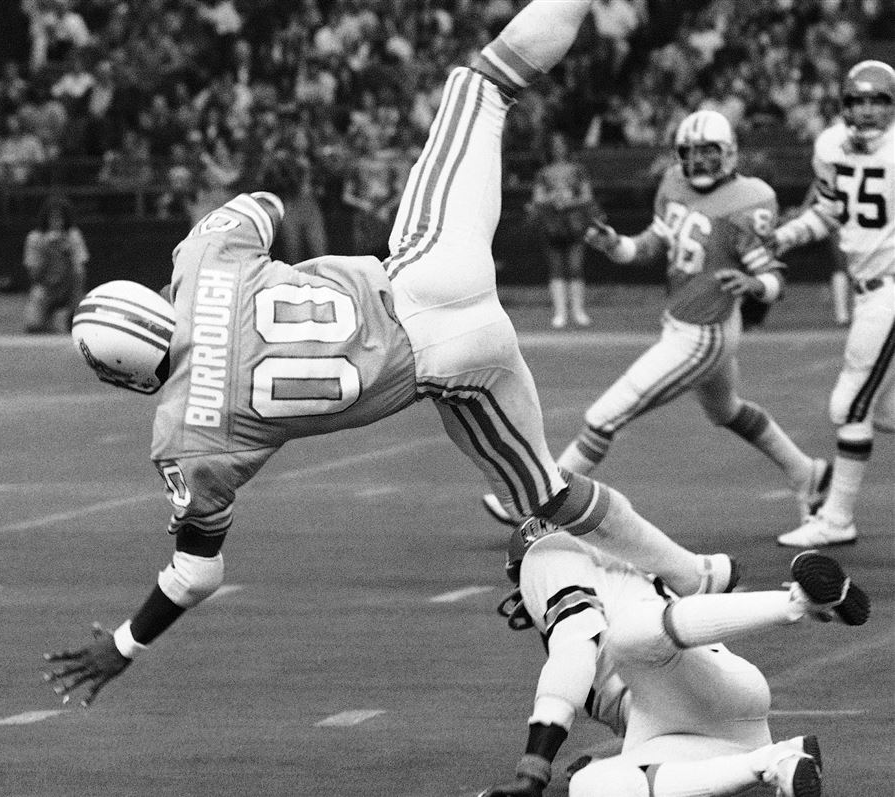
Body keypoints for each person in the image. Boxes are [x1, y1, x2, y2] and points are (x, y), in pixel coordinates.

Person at [43, 0, 738, 709]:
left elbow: (195, 575)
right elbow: (264, 206)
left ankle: (696, 573)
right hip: (431, 266)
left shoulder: (186, 442)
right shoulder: (203, 259)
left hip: (452, 368)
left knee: (548, 495)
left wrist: (126, 642)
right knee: (485, 82)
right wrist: (210, 290)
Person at [482, 109, 829, 529]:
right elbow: (648, 246)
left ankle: (540, 505)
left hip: (704, 333)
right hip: (690, 322)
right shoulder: (674, 183)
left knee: (603, 416)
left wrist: (757, 287)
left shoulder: (748, 199)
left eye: (709, 152)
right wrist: (614, 245)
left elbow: (772, 275)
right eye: (691, 152)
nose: (699, 161)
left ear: (731, 154)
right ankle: (806, 474)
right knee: (726, 411)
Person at [475, 520, 870, 797]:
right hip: (706, 720)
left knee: (627, 637)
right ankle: (776, 760)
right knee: (591, 787)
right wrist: (609, 753)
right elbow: (721, 573)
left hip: (695, 691)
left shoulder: (546, 555)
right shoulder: (627, 569)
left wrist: (533, 770)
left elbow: (575, 650)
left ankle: (800, 602)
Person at [767, 60, 895, 548]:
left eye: (877, 100)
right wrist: (784, 237)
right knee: (881, 412)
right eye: (857, 100)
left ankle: (838, 518)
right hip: (869, 291)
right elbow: (826, 212)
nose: (865, 111)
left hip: (889, 289)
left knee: (849, 405)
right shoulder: (829, 146)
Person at [527, 131, 598, 328]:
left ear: (568, 146)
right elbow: (537, 198)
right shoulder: (543, 172)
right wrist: (554, 198)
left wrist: (569, 200)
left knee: (575, 267)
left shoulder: (578, 170)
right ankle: (560, 313)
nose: (558, 148)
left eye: (561, 144)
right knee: (556, 268)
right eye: (555, 144)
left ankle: (578, 311)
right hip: (552, 224)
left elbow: (587, 196)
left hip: (574, 222)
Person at [22, 195, 88, 334]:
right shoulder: (35, 238)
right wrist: (47, 251)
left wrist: (66, 253)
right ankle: (48, 319)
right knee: (33, 325)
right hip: (45, 288)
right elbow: (33, 276)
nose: (56, 222)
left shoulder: (73, 236)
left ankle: (70, 317)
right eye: (52, 218)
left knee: (72, 325)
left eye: (60, 218)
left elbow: (80, 272)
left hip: (69, 288)